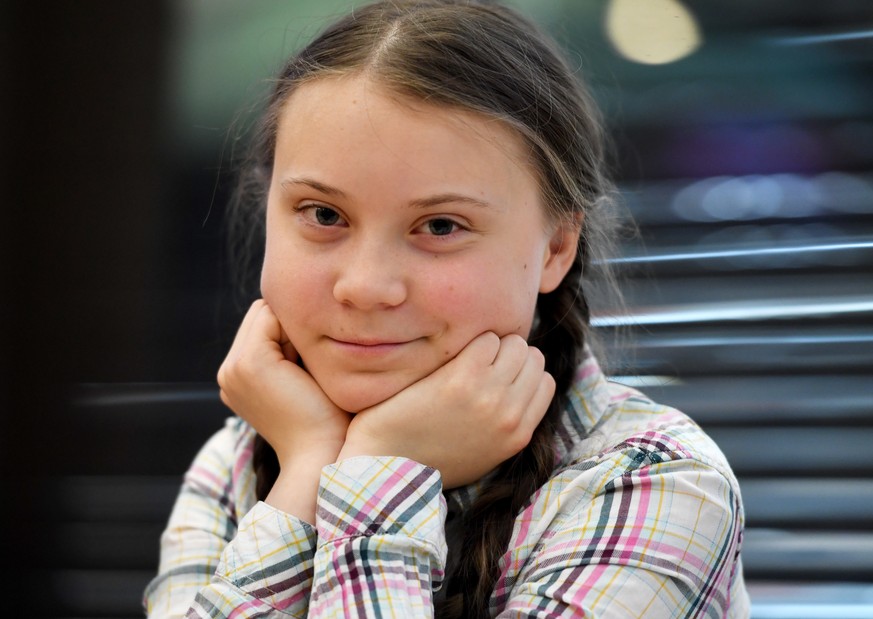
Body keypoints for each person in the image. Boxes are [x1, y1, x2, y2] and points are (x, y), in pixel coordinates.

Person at [144, 1, 749, 617]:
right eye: (324, 215)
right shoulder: (239, 464)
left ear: (556, 246)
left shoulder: (654, 481)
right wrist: (305, 473)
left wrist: (379, 465)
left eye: (439, 225)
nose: (365, 286)